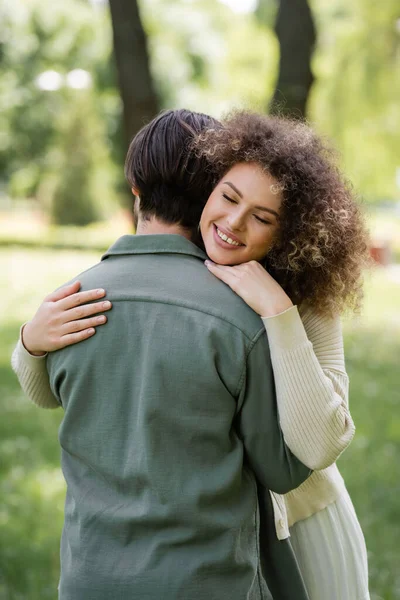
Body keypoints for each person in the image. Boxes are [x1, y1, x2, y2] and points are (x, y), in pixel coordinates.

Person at [12, 110, 370, 600]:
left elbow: (316, 446)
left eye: (263, 217)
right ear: (210, 191)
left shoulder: (301, 295)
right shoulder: (188, 299)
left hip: (305, 520)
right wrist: (31, 341)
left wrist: (278, 310)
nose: (234, 223)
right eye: (227, 197)